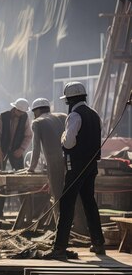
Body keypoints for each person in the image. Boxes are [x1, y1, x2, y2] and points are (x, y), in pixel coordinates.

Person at [45, 82, 105, 260]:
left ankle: (59, 248)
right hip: (91, 166)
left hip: (76, 165)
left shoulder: (74, 115)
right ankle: (98, 243)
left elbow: (69, 142)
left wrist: (62, 138)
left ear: (70, 100)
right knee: (89, 202)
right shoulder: (94, 115)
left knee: (67, 204)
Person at [0, 97, 33, 218]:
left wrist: (22, 149)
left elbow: (28, 136)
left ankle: (25, 214)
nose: (20, 114)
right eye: (19, 112)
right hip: (1, 150)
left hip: (16, 152)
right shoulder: (2, 117)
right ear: (14, 109)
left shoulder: (25, 118)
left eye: (22, 112)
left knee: (21, 180)